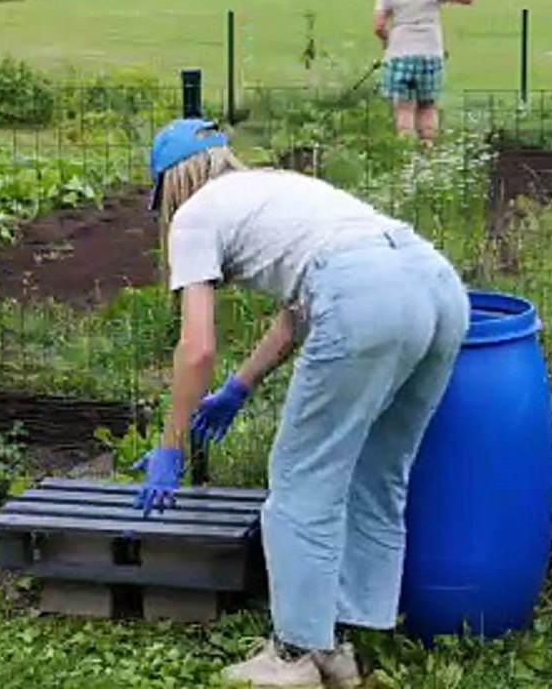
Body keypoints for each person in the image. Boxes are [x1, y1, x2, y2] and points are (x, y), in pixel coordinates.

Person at [133, 118, 470, 689]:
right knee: (376, 471)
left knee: (300, 478)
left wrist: (169, 447)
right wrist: (240, 387)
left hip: (367, 294)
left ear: (170, 185)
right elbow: (300, 308)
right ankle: (338, 642)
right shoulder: (279, 188)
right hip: (437, 288)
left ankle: (292, 654)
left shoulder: (193, 215)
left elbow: (196, 349)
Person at [373, 0, 477, 144]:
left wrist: (387, 41)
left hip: (400, 55)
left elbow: (378, 26)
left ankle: (404, 152)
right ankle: (427, 152)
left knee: (403, 108)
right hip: (430, 54)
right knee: (427, 106)